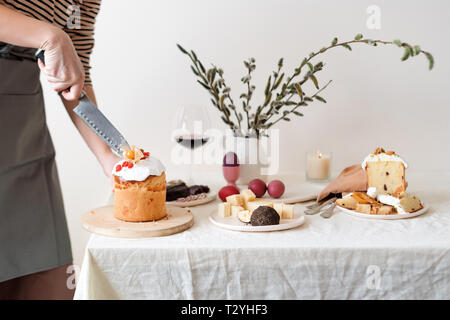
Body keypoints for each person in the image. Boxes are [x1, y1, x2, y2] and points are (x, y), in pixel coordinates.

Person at [0, 0, 119, 299]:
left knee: (47, 274)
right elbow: (55, 42)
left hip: (23, 132)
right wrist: (50, 36)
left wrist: (108, 157)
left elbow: (75, 76)